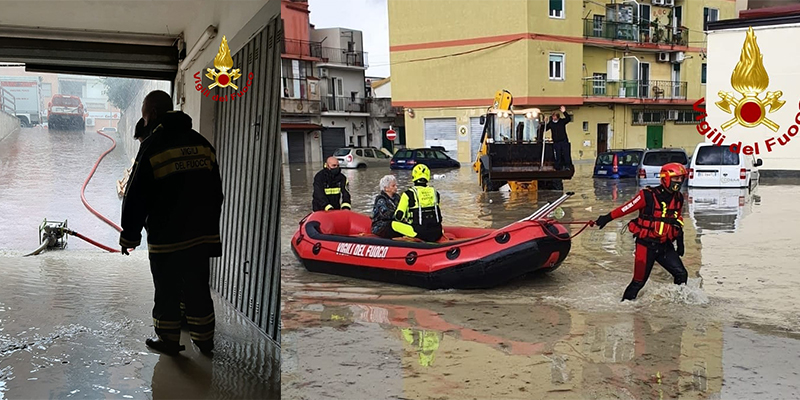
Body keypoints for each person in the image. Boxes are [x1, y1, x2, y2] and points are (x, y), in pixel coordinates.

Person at [119, 90, 223, 356]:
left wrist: (129, 236)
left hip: (167, 237)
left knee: (167, 289)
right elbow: (216, 192)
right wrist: (210, 229)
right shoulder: (201, 143)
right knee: (197, 287)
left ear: (153, 114)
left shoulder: (152, 146)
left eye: (144, 115)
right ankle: (205, 341)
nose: (144, 120)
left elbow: (135, 196)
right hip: (200, 236)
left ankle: (168, 340)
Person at [594, 163, 688, 301]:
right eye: (676, 178)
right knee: (638, 282)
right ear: (666, 178)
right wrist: (606, 218)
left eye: (681, 178)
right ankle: (625, 306)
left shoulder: (679, 198)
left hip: (664, 245)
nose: (679, 182)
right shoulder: (647, 195)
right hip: (646, 245)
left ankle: (677, 305)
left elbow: (677, 220)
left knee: (681, 274)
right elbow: (626, 208)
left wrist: (680, 242)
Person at [392, 164, 444, 242]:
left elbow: (399, 216)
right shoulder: (435, 193)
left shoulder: (408, 194)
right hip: (437, 232)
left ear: (414, 176)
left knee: (393, 224)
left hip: (419, 233)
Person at [545, 105, 573, 170]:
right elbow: (545, 129)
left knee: (566, 154)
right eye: (553, 116)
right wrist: (545, 122)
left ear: (557, 117)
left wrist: (564, 112)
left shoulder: (561, 121)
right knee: (558, 155)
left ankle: (567, 166)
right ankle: (558, 167)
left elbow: (568, 119)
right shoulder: (551, 123)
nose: (553, 117)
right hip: (556, 142)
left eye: (555, 116)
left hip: (563, 141)